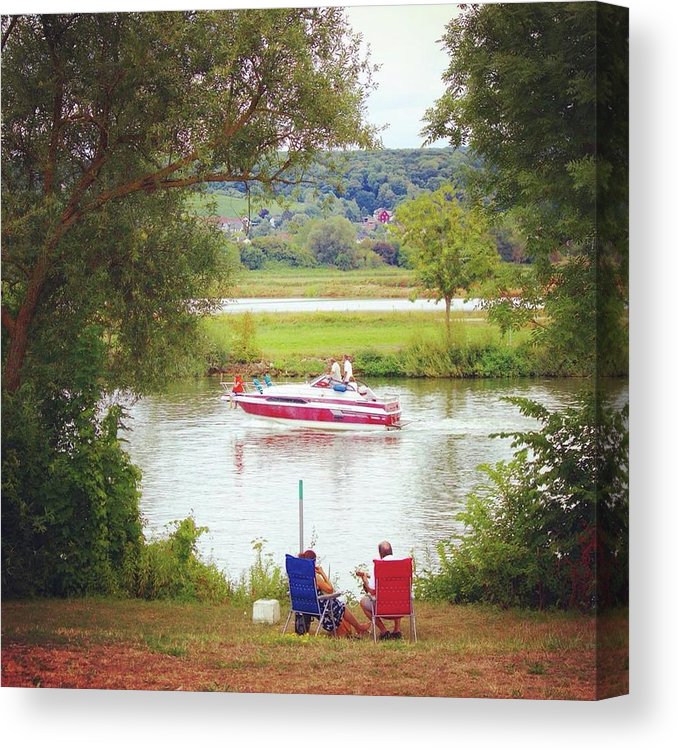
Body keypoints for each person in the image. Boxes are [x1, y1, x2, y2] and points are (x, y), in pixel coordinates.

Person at [299, 550, 370, 637]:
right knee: (341, 606)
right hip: (317, 606)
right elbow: (330, 590)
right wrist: (322, 573)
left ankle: (355, 628)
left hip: (303, 605)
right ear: (313, 562)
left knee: (336, 605)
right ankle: (358, 627)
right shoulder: (314, 577)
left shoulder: (298, 575)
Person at [356, 540, 402, 640]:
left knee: (363, 602)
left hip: (383, 608)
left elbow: (371, 591)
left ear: (380, 553)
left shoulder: (378, 566)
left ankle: (383, 631)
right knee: (397, 593)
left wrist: (365, 580)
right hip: (402, 608)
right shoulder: (403, 564)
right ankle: (397, 629)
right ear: (391, 551)